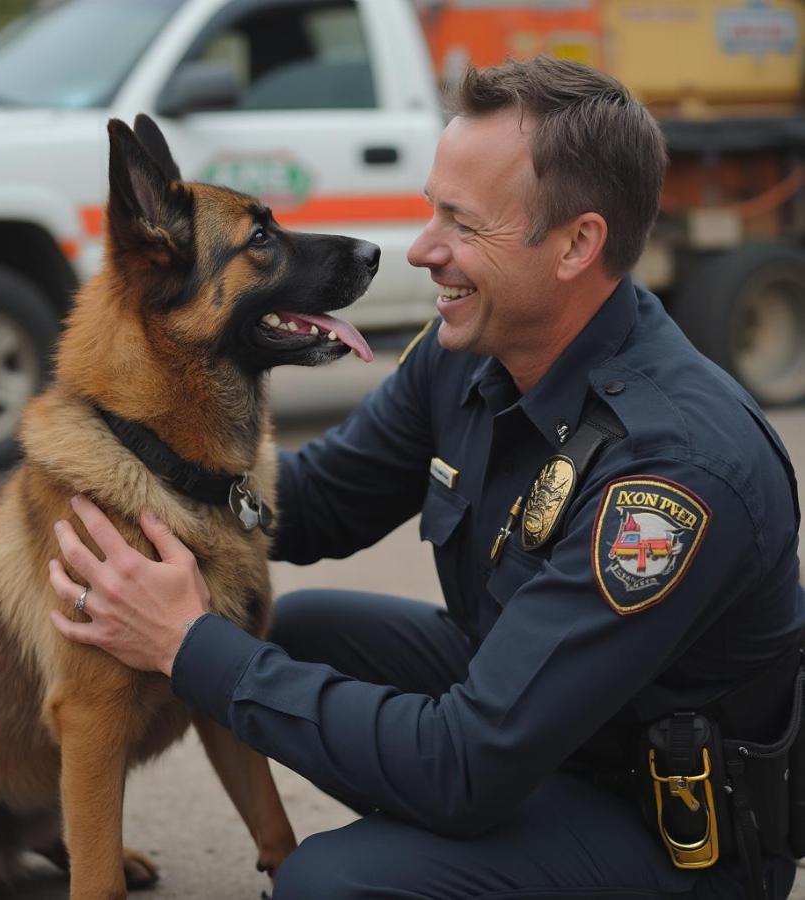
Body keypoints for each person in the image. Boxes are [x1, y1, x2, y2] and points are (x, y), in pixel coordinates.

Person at [48, 57, 805, 899]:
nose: (422, 250)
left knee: (332, 883)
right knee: (287, 636)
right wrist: (119, 470)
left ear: (576, 244)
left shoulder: (673, 475)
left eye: (462, 224)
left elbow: (466, 763)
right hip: (535, 723)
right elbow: (314, 500)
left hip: (659, 828)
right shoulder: (477, 354)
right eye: (430, 210)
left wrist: (188, 645)